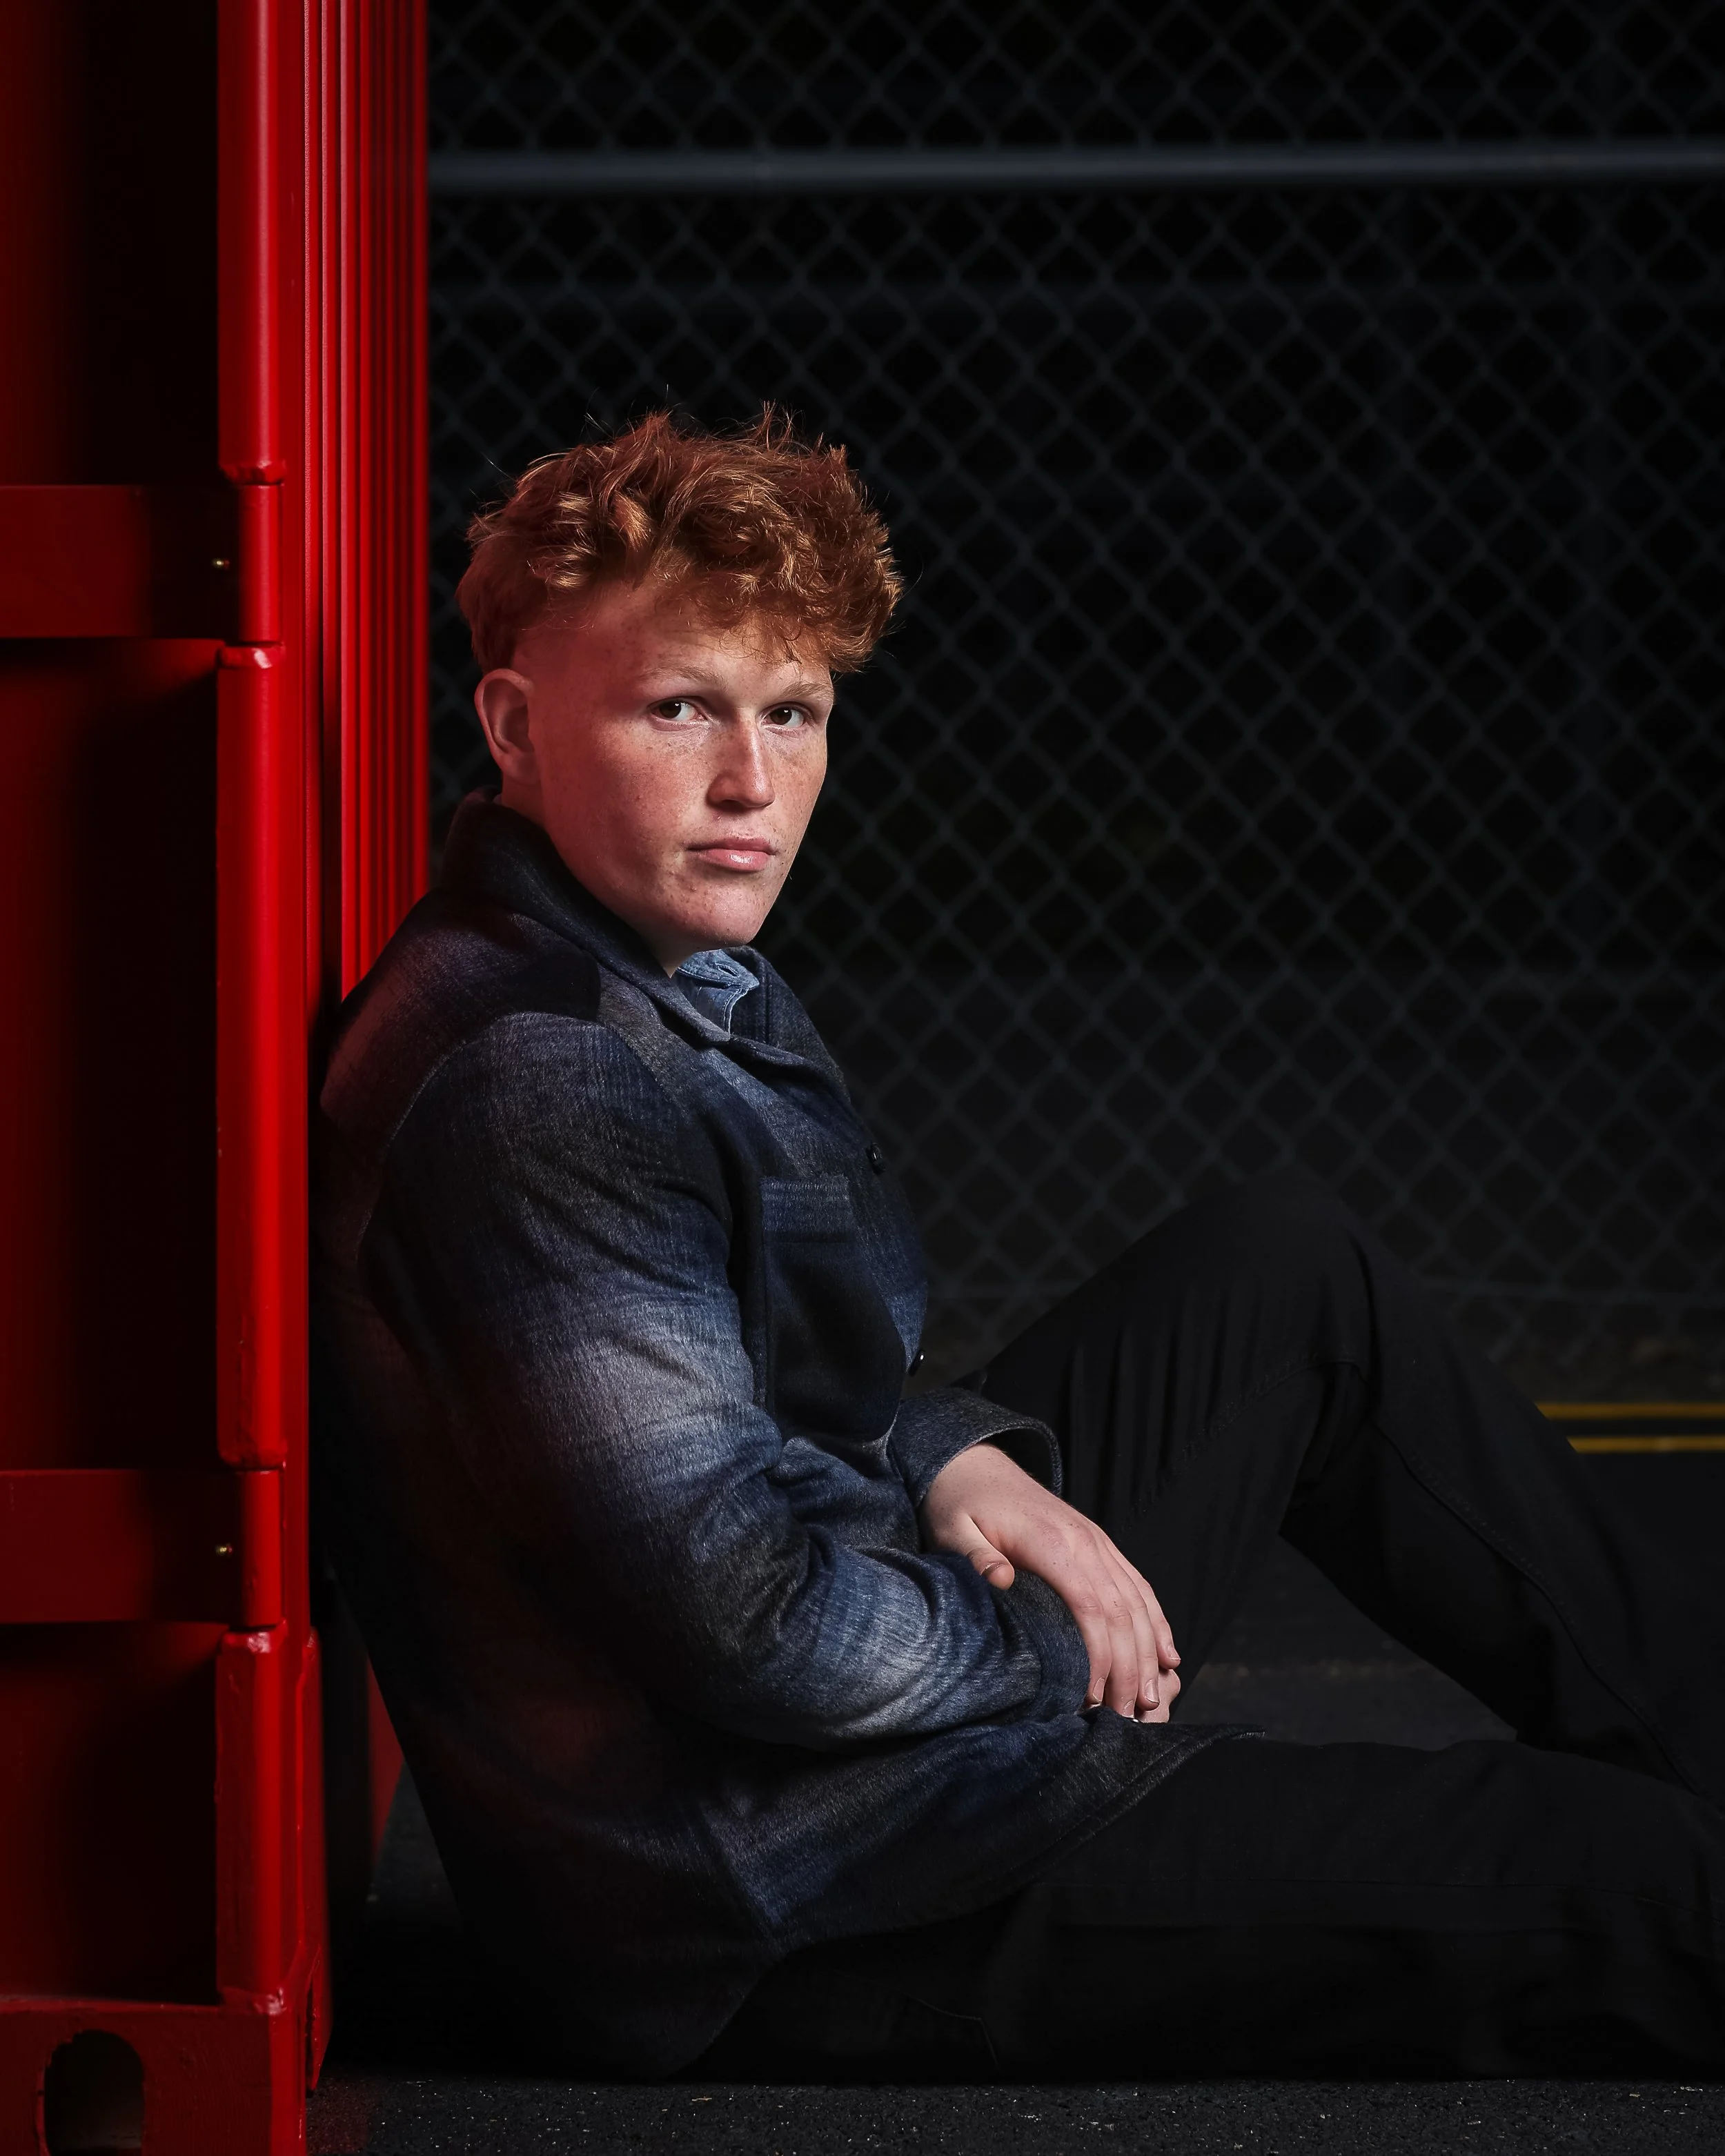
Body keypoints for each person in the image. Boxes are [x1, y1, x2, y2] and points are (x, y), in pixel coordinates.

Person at [312, 408, 1725, 2083]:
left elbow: (783, 1369)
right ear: (513, 721)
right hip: (806, 1888)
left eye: (792, 712)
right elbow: (752, 1622)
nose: (752, 782)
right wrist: (1054, 1638)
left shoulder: (635, 944)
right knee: (1658, 1894)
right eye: (677, 706)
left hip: (841, 1718)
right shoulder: (540, 1080)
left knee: (1283, 1276)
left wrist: (955, 1455)